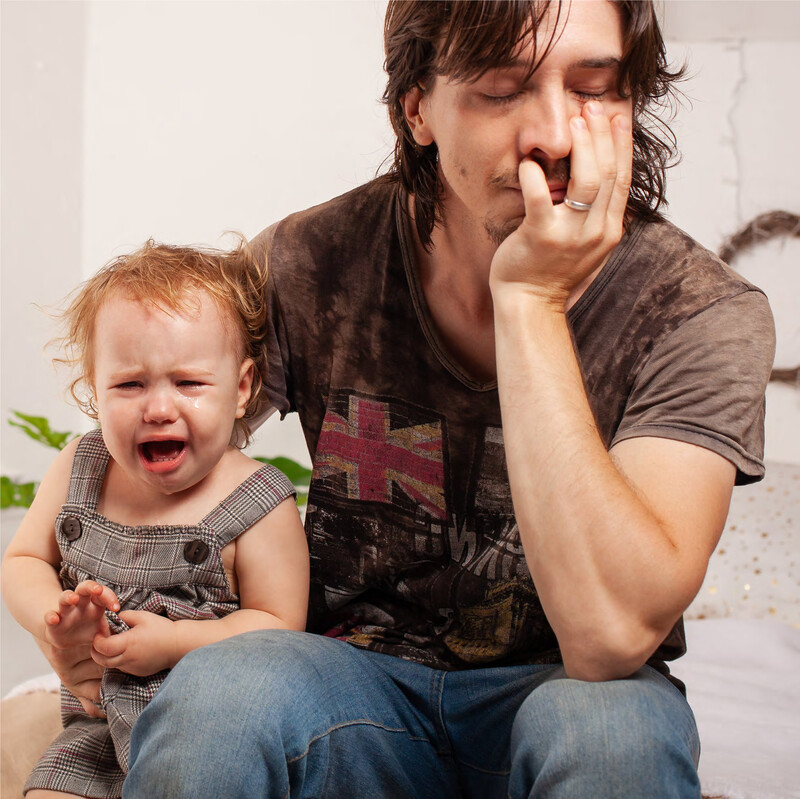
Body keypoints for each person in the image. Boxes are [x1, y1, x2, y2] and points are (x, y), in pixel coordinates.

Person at [33, 1, 775, 796]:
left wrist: (531, 301)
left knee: (615, 736)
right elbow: (142, 439)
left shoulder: (697, 313)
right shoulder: (310, 262)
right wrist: (75, 626)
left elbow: (611, 637)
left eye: (595, 88)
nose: (556, 137)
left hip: (570, 690)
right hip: (348, 686)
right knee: (219, 693)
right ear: (417, 107)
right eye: (502, 90)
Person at [1, 240, 310, 798]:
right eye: (129, 384)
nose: (159, 408)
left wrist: (175, 642)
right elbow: (23, 559)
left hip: (211, 737)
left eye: (188, 382)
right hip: (94, 729)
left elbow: (280, 628)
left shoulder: (258, 501)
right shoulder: (82, 467)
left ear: (242, 388)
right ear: (92, 388)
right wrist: (54, 618)